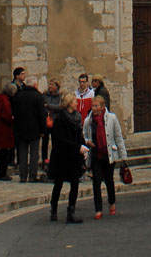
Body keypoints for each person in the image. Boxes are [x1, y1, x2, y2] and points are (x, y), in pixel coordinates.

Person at [82, 94, 127, 219]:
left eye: (96, 106)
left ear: (102, 107)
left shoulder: (112, 118)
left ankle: (112, 203)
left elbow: (118, 137)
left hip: (108, 154)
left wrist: (123, 156)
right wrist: (87, 141)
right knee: (96, 181)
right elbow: (84, 135)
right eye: (92, 106)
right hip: (96, 154)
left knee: (109, 180)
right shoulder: (88, 120)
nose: (94, 108)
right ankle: (98, 209)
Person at [48, 92, 87, 224]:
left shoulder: (76, 117)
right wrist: (78, 147)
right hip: (62, 156)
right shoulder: (60, 119)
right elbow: (59, 140)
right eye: (74, 101)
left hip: (73, 156)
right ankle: (53, 209)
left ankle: (71, 211)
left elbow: (79, 135)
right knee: (58, 184)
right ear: (69, 103)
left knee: (75, 183)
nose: (76, 103)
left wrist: (84, 146)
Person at [12, 75, 46, 182]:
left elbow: (15, 113)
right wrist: (43, 129)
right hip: (35, 129)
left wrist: (16, 128)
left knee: (22, 152)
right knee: (34, 153)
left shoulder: (19, 95)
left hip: (21, 128)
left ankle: (22, 175)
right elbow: (42, 114)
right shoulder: (38, 97)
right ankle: (32, 175)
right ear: (35, 85)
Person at [42, 79, 61, 171]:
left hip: (55, 121)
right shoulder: (44, 95)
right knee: (44, 142)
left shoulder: (60, 96)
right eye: (50, 84)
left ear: (57, 86)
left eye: (52, 84)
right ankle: (44, 161)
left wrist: (49, 106)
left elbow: (60, 106)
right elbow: (42, 105)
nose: (50, 86)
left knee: (55, 142)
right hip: (46, 121)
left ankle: (55, 161)